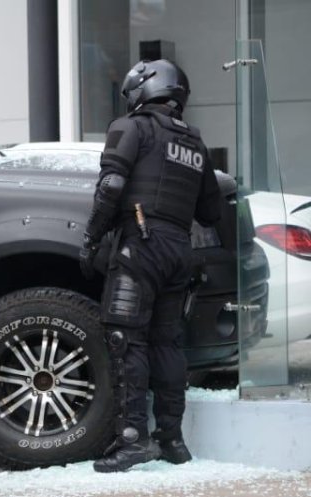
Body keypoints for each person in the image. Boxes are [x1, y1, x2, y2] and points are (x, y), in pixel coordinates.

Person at [79, 59, 222, 473]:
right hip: (180, 251)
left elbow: (111, 185)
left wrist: (90, 238)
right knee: (167, 343)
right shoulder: (194, 142)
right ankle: (173, 440)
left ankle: (132, 440)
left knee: (126, 340)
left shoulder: (131, 127)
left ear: (144, 90)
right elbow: (211, 211)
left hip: (141, 248)